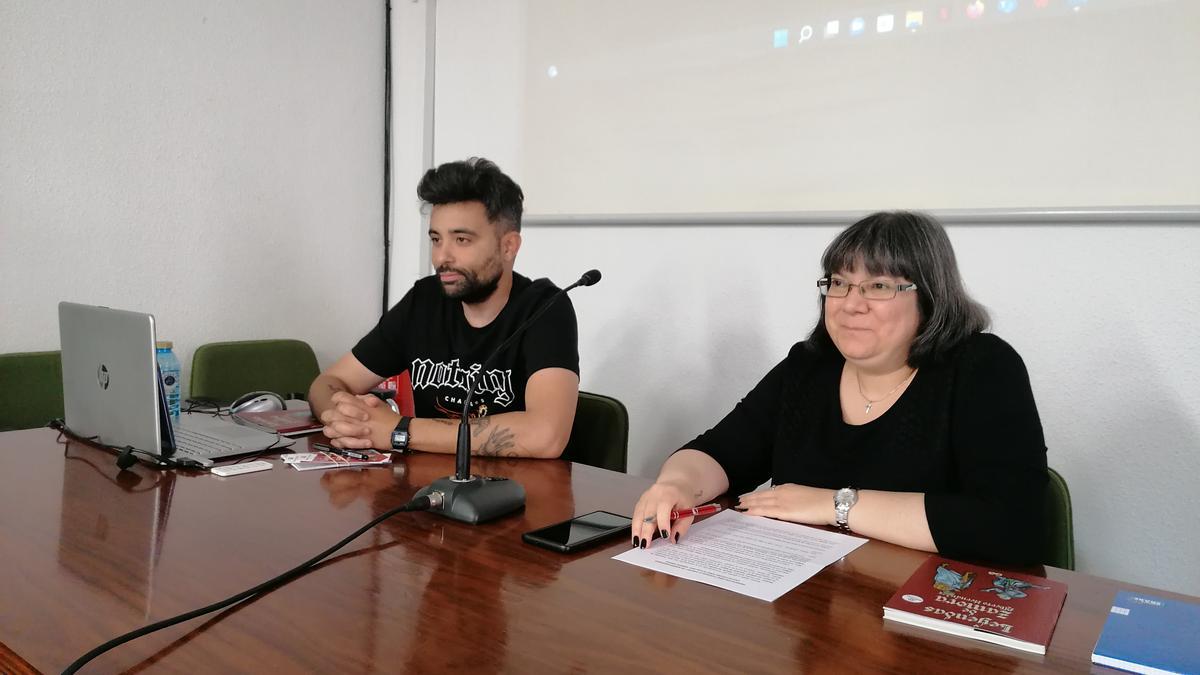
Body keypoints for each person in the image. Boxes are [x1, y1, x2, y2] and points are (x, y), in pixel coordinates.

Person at [631, 211, 1049, 565]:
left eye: (880, 286)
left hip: (926, 622)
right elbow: (721, 451)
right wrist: (677, 485)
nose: (851, 302)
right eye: (839, 282)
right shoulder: (811, 364)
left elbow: (1013, 525)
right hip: (810, 600)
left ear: (930, 296)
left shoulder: (982, 366)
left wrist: (832, 505)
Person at [308, 157, 580, 458]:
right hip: (429, 488)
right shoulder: (425, 300)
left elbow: (546, 435)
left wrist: (399, 430)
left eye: (461, 239)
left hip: (514, 494)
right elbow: (329, 382)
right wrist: (346, 419)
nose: (441, 257)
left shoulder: (545, 308)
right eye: (436, 239)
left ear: (508, 246)